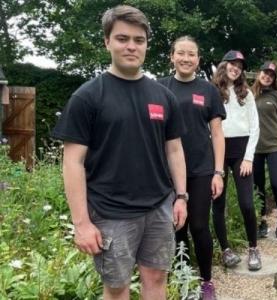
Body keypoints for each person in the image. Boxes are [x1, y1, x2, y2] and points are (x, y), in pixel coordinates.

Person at [51, 6, 187, 300]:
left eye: (139, 40)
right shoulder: (87, 97)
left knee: (156, 278)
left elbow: (174, 150)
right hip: (111, 213)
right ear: (107, 42)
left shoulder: (163, 96)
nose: (131, 46)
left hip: (159, 208)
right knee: (116, 289)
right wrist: (82, 224)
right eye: (122, 38)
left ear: (147, 45)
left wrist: (181, 197)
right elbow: (73, 163)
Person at [158, 36, 226, 300]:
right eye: (181, 53)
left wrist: (218, 172)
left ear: (198, 59)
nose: (186, 59)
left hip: (200, 169)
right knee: (175, 227)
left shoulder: (208, 90)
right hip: (166, 171)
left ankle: (207, 282)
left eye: (191, 54)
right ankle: (182, 278)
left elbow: (218, 134)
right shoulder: (159, 87)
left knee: (198, 225)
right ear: (172, 56)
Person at [212, 50, 261, 271]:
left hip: (242, 151)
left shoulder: (246, 94)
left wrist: (249, 158)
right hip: (218, 149)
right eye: (233, 64)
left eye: (240, 66)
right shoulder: (212, 91)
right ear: (224, 65)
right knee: (218, 203)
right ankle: (225, 250)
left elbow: (255, 127)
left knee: (247, 204)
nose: (236, 68)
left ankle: (253, 248)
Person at [251, 62, 277, 239]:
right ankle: (262, 220)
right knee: (257, 186)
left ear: (274, 79)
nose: (267, 76)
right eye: (265, 73)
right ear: (259, 73)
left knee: (276, 183)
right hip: (255, 146)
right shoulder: (250, 94)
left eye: (271, 75)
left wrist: (276, 139)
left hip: (274, 145)